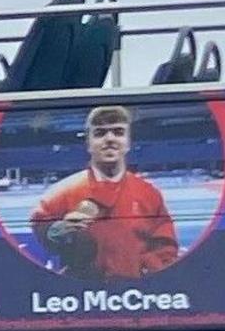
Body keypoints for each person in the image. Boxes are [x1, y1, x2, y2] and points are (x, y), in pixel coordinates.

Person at [31, 106, 182, 278]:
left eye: (118, 132)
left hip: (134, 296)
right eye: (100, 133)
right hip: (82, 295)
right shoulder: (62, 193)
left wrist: (144, 272)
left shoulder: (149, 193)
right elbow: (41, 226)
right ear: (88, 143)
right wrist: (58, 230)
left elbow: (165, 247)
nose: (109, 139)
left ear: (128, 142)